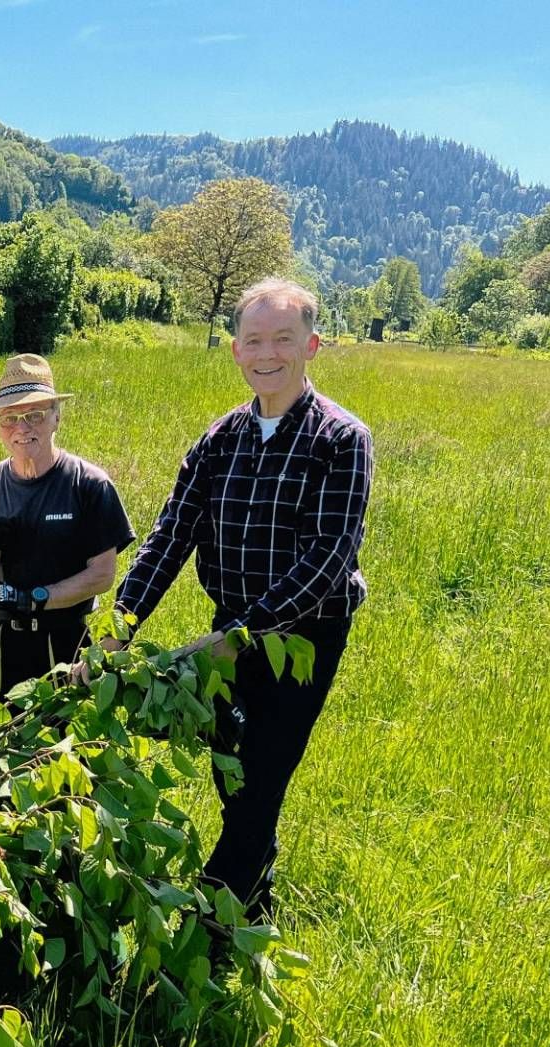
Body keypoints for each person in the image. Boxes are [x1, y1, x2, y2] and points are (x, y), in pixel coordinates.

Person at [110, 277, 372, 922]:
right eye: (254, 340)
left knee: (262, 775)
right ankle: (256, 902)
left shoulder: (341, 440)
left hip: (303, 637)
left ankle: (209, 922)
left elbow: (328, 558)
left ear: (311, 345)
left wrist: (244, 635)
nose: (267, 354)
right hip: (227, 627)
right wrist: (121, 623)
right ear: (235, 350)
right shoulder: (217, 441)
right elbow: (171, 534)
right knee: (232, 767)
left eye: (283, 339)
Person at [0, 354, 134, 700]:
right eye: (10, 418)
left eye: (35, 414)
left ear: (56, 416)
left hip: (63, 644)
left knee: (63, 748)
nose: (22, 427)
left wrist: (33, 599)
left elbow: (103, 575)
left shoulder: (89, 485)